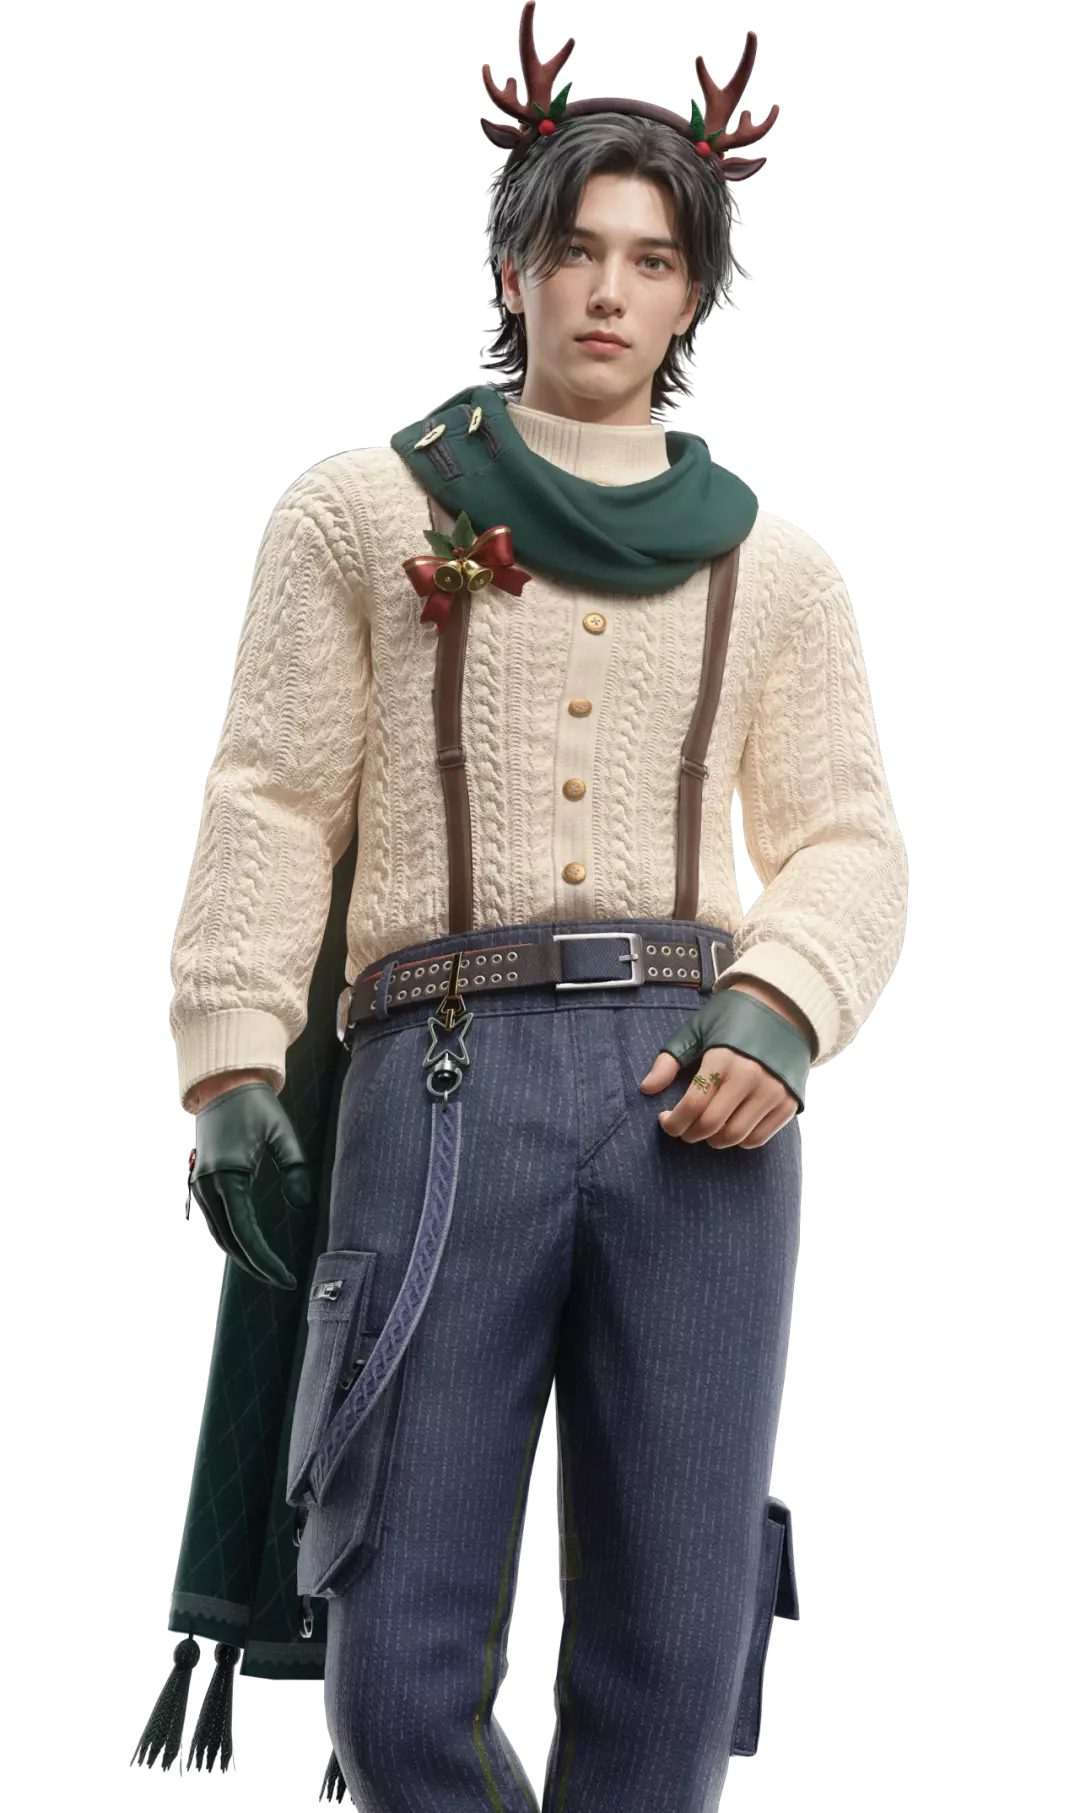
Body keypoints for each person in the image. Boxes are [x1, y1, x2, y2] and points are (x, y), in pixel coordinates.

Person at [136, 9, 907, 1808]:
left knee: (680, 1641)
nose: (609, 290)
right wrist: (229, 1060)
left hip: (699, 1093)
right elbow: (270, 798)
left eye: (651, 258)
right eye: (577, 250)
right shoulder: (353, 515)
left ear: (693, 296)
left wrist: (784, 1003)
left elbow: (847, 837)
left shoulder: (779, 570)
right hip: (440, 1076)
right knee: (391, 1650)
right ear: (513, 269)